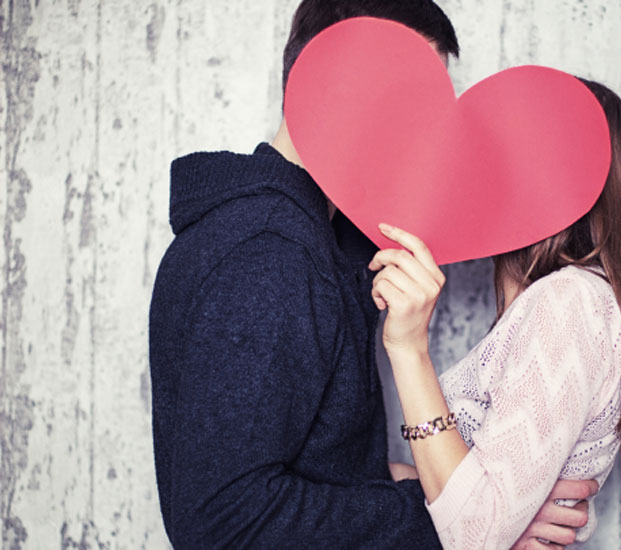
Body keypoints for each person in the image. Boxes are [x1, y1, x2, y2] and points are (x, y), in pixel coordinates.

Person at [149, 1, 597, 548]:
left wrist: (486, 506)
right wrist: (450, 522)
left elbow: (319, 466)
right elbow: (223, 520)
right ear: (333, 83)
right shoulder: (267, 255)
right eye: (410, 99)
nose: (430, 137)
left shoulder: (315, 243)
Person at [369, 78, 621, 549]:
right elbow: (470, 509)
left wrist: (408, 348)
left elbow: (473, 535)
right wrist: (506, 514)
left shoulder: (568, 303)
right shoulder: (557, 304)